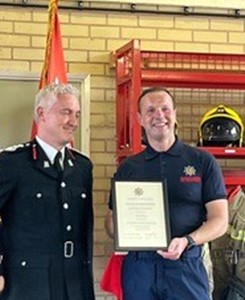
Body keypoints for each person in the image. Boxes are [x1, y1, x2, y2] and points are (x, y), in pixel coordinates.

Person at [105, 87, 228, 300]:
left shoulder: (202, 161)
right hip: (140, 268)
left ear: (175, 114)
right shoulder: (128, 168)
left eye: (165, 108)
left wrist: (188, 240)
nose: (159, 115)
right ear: (140, 119)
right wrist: (124, 233)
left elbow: (220, 220)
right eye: (151, 110)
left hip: (187, 265)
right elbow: (110, 222)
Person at [0, 83, 95, 300]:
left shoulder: (82, 167)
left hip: (74, 281)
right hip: (28, 283)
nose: (74, 122)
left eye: (77, 114)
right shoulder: (12, 163)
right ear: (42, 114)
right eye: (66, 112)